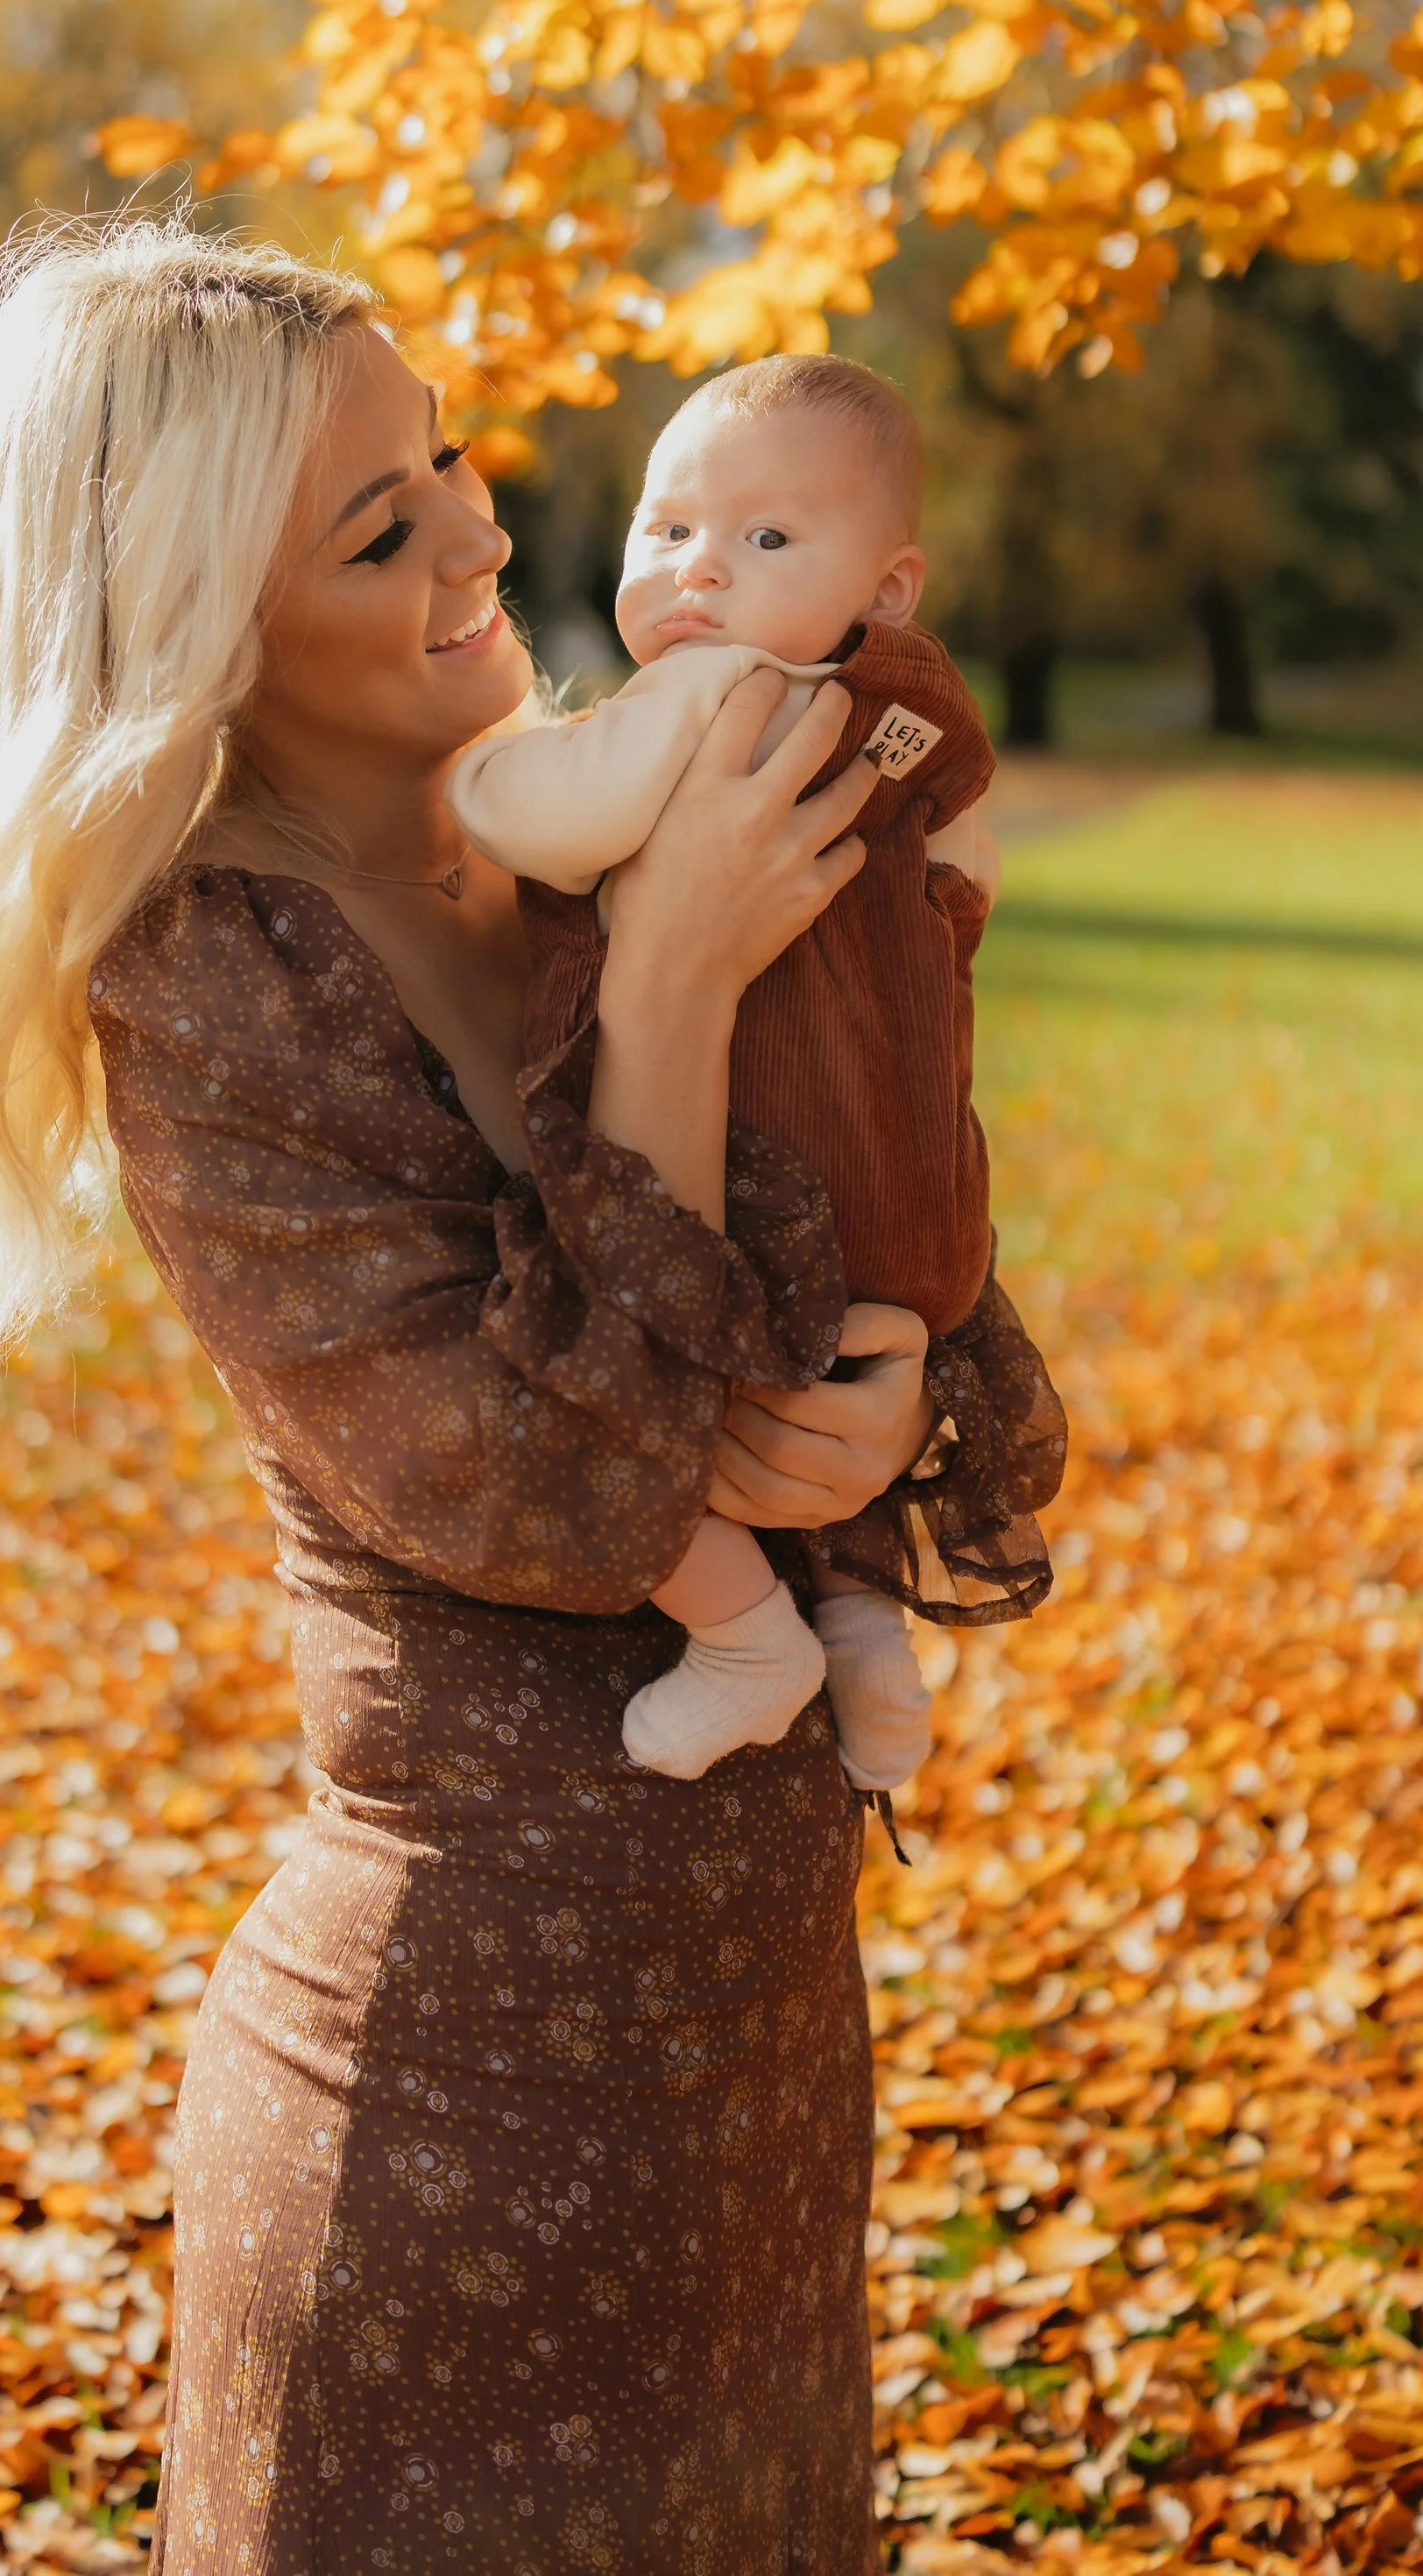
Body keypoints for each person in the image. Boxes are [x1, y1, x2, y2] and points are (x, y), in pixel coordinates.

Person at [0, 219, 1065, 2576]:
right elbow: (550, 1476)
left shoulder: (598, 829)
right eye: (377, 519)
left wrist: (896, 1372)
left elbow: (909, 1212)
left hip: (755, 2058)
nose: (487, 531)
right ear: (197, 614)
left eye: (453, 464)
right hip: (450, 2123)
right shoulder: (213, 978)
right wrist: (687, 981)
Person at [450, 354, 1038, 1791]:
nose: (702, 571)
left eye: (767, 540)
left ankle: (742, 1637)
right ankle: (866, 1625)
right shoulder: (920, 710)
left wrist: (475, 781)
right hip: (917, 1209)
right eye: (667, 532)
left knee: (625, 1378)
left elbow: (566, 814)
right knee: (831, 1400)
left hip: (760, 1172)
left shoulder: (714, 690)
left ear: (885, 586)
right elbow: (964, 867)